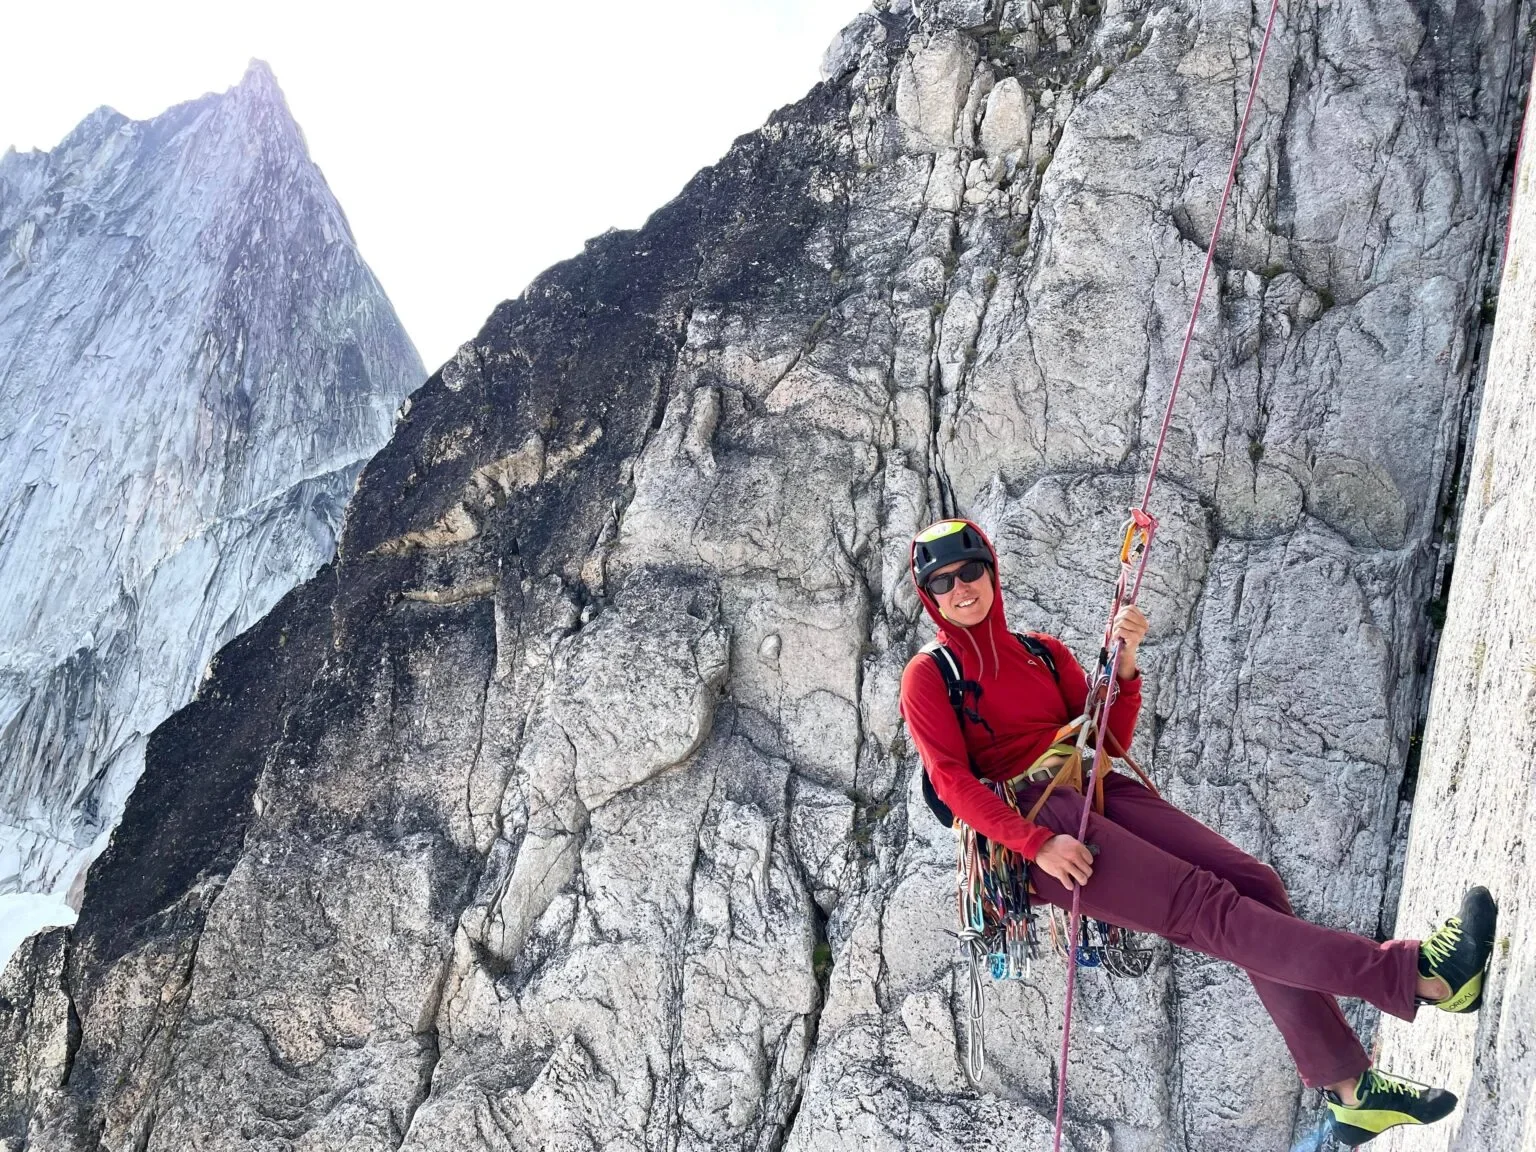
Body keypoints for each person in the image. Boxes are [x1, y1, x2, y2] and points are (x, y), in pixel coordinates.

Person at [899, 518, 1498, 1147]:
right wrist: (1037, 844)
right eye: (942, 583)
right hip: (1035, 826)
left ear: (991, 569)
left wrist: (1124, 669)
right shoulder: (929, 676)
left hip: (1094, 788)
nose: (961, 588)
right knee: (1210, 911)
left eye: (970, 570)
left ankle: (1353, 1093)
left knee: (1252, 883)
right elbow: (949, 782)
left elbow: (1108, 739)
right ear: (930, 599)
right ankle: (1421, 974)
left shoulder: (1043, 652)